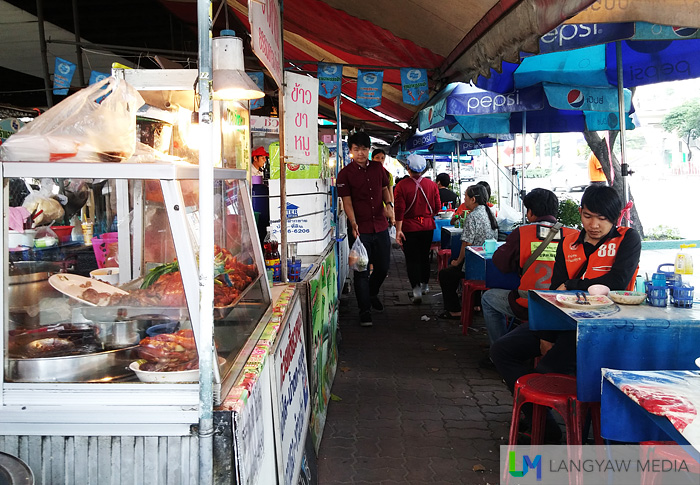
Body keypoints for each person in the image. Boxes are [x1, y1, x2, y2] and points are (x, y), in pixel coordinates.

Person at [489, 185, 641, 440]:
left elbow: (618, 280)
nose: (594, 224)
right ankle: (545, 425)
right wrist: (546, 334)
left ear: (614, 218)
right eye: (588, 216)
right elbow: (553, 290)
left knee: (542, 375)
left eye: (602, 219)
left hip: (601, 330)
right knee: (501, 351)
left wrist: (572, 285)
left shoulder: (628, 238)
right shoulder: (568, 242)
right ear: (580, 213)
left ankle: (554, 430)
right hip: (562, 322)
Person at [481, 188, 577, 347]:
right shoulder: (573, 234)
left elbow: (501, 262)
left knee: (488, 298)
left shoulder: (522, 233)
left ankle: (499, 348)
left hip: (528, 304)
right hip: (566, 305)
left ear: (531, 212)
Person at [337, 132, 395, 327]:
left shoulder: (379, 168)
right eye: (356, 149)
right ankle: (364, 310)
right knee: (361, 270)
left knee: (383, 267)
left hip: (380, 226)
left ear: (368, 150)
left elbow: (386, 188)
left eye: (363, 149)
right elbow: (347, 201)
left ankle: (371, 293)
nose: (360, 153)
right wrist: (353, 223)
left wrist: (389, 206)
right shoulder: (345, 174)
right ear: (351, 151)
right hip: (360, 230)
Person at [437, 184, 498, 319]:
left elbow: (467, 244)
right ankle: (475, 305)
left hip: (474, 264)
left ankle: (454, 310)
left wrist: (457, 261)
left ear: (473, 199)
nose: (464, 200)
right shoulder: (489, 213)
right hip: (489, 262)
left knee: (445, 275)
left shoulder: (473, 216)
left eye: (465, 197)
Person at [394, 153, 441, 304]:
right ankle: (426, 285)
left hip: (409, 227)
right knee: (424, 257)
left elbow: (399, 210)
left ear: (407, 167)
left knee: (412, 259)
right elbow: (437, 208)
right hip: (427, 227)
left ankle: (416, 290)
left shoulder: (401, 186)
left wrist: (398, 230)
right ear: (424, 169)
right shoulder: (432, 185)